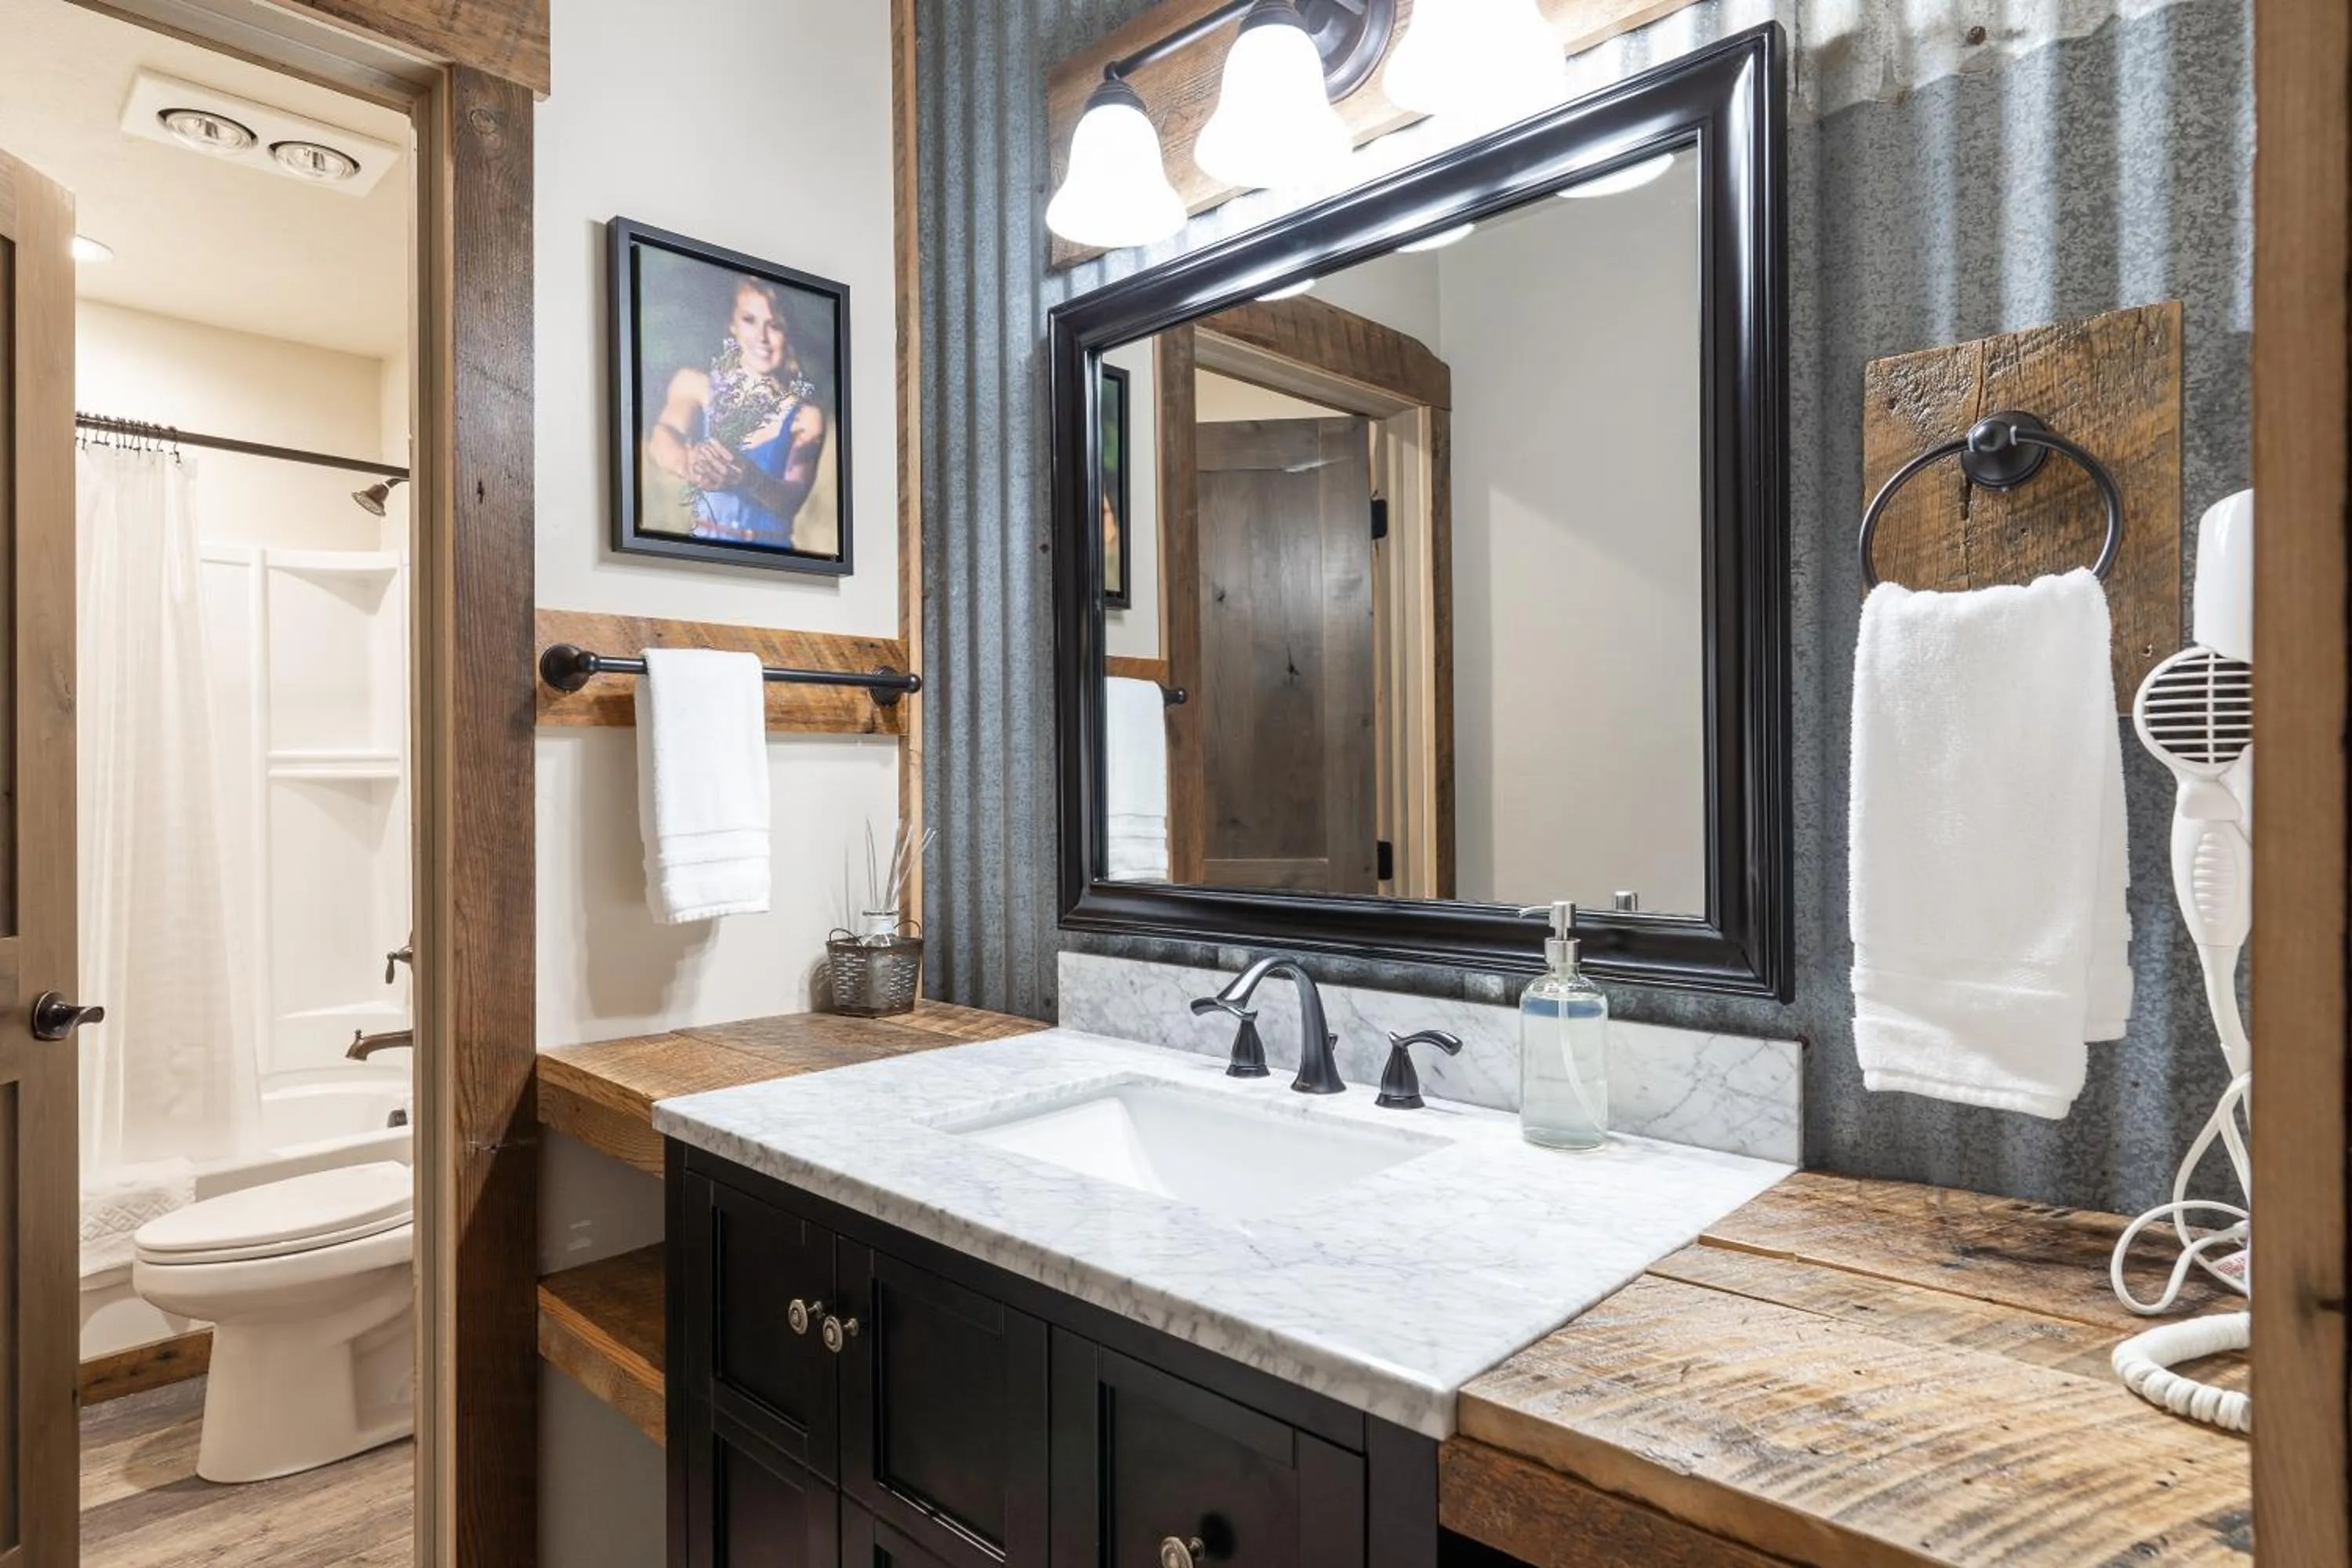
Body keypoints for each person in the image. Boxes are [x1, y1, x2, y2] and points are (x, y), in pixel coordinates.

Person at [648, 276, 829, 550]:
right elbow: (663, 437)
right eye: (749, 320)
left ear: (787, 333)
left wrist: (749, 478)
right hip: (704, 551)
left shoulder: (806, 416)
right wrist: (689, 464)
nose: (762, 337)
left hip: (772, 559)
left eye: (774, 325)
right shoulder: (694, 384)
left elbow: (792, 498)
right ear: (732, 323)